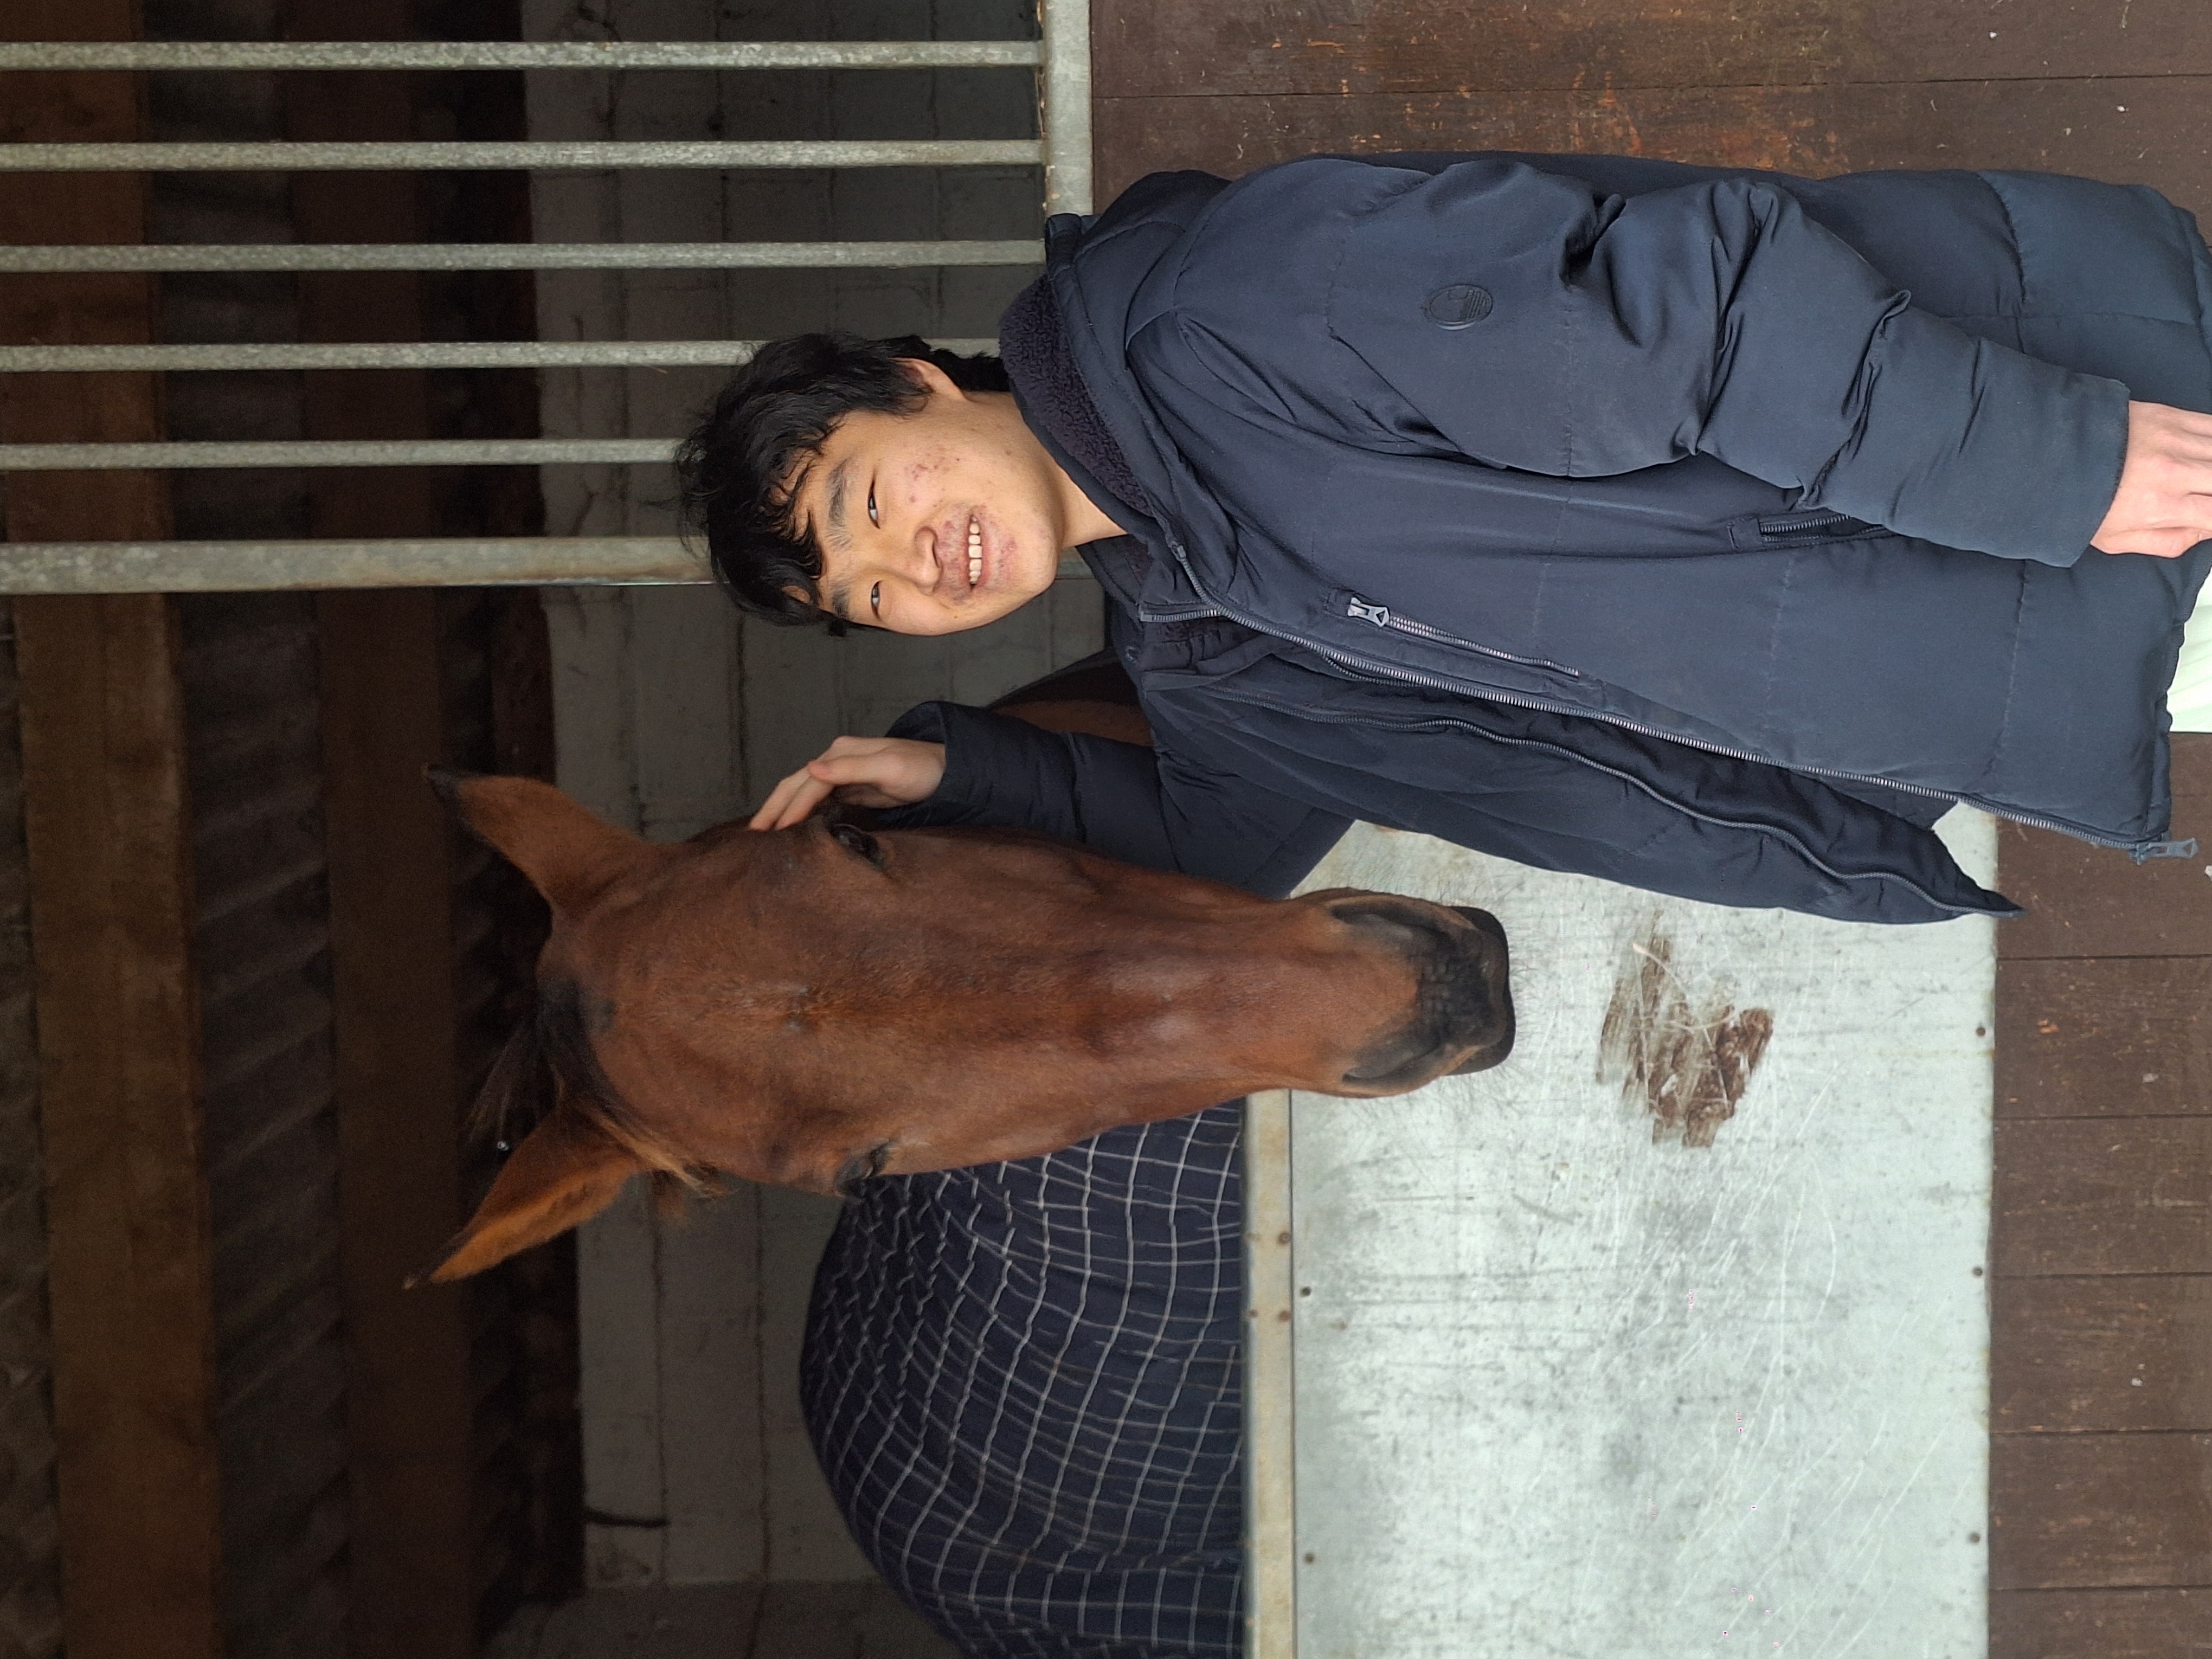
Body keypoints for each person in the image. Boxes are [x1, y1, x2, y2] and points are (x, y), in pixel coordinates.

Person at [677, 151, 2212, 923]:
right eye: (870, 597)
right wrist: (962, 770)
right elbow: (1220, 841)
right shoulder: (1194, 636)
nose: (913, 564)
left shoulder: (1228, 313)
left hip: (2088, 465)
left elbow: (1693, 307)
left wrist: (2043, 461)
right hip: (2049, 633)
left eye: (870, 501)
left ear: (922, 383)